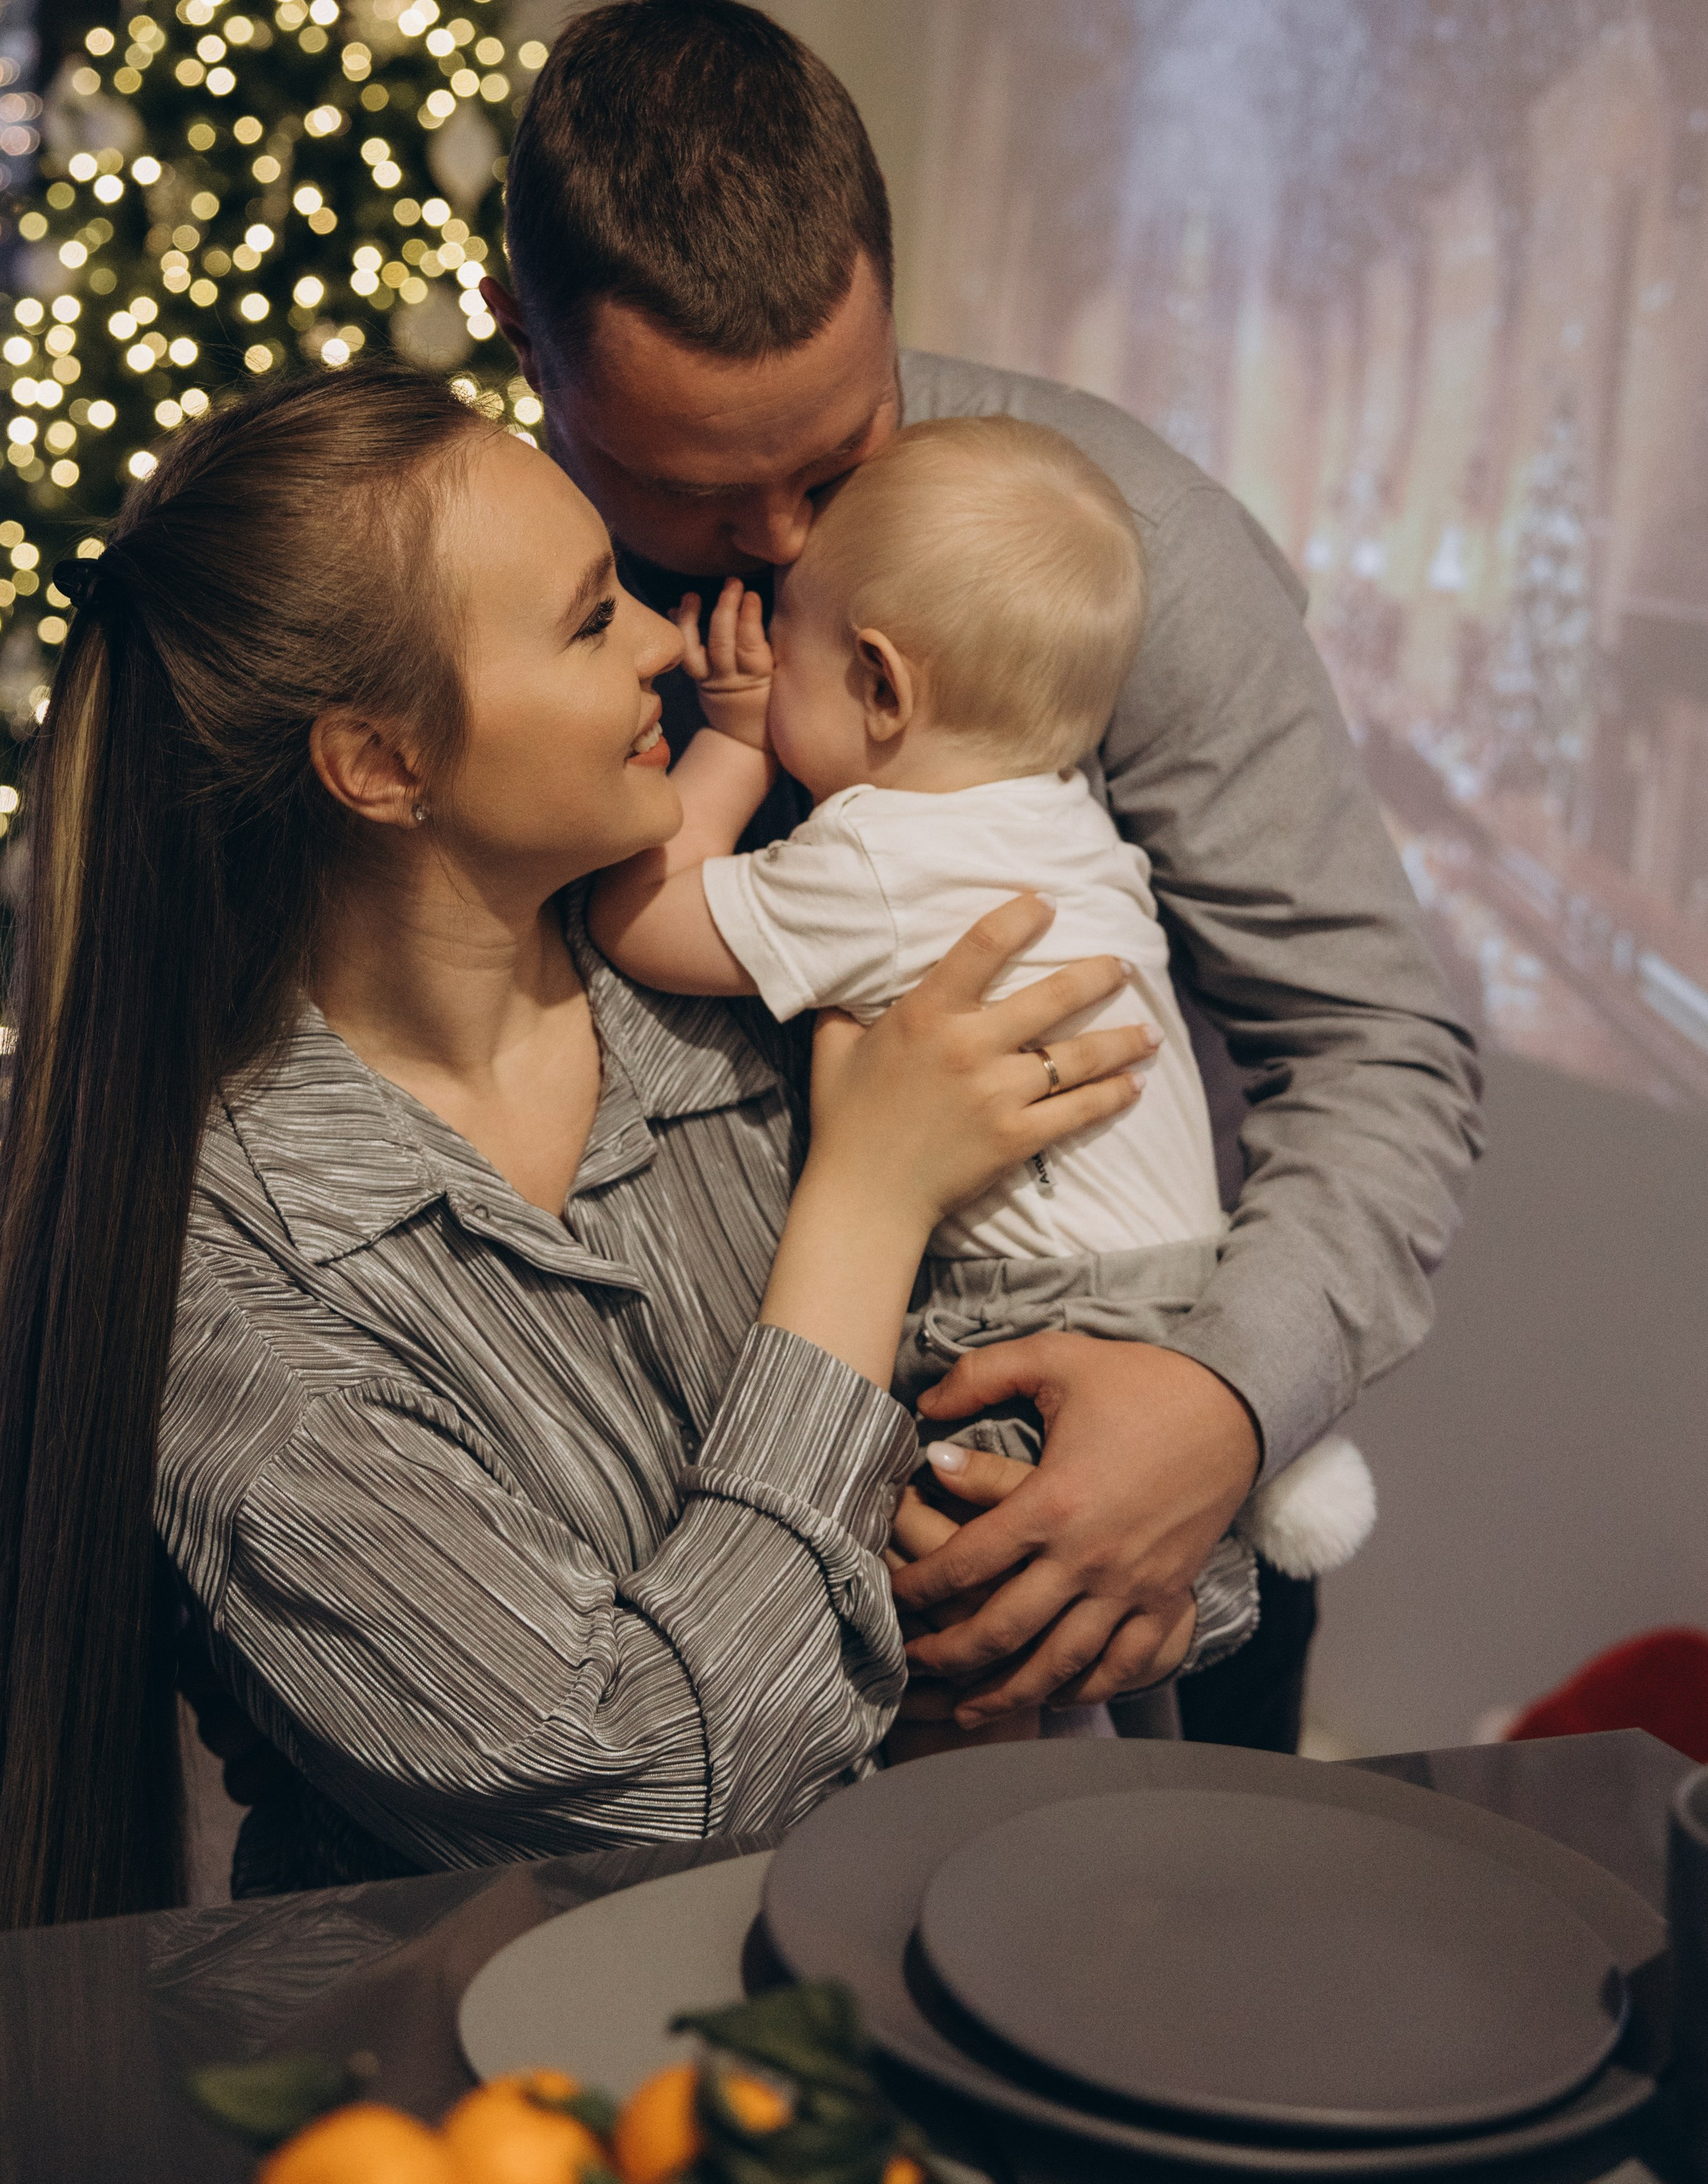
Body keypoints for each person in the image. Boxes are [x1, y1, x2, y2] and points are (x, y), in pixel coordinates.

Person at [0, 365, 1152, 1933]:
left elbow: (1122, 1497)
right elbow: (649, 1788)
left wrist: (1122, 1519)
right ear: (384, 765)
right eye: (587, 622)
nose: (668, 640)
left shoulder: (773, 996)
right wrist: (865, 1201)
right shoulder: (242, 1315)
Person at [484, 0, 1484, 1752]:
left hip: (1130, 1485)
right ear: (524, 347)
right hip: (656, 1567)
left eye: (837, 455)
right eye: (697, 493)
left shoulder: (1119, 544)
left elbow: (1374, 1048)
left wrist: (1216, 1404)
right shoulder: (451, 588)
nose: (780, 547)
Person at [587, 415, 1376, 1749]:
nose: (767, 662)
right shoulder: (1064, 812)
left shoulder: (883, 856)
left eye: (790, 642)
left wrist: (734, 738)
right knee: (1121, 1665)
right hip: (1187, 1293)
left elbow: (643, 920)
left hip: (1035, 1320)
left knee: (970, 1643)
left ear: (881, 686)